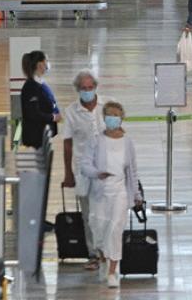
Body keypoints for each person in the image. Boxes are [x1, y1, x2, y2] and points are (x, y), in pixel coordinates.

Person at [79, 101, 142, 289]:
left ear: (121, 118)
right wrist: (97, 173)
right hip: (99, 193)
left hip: (120, 193)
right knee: (99, 229)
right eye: (109, 115)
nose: (112, 118)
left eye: (116, 115)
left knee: (115, 230)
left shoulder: (128, 142)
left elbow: (132, 171)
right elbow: (85, 165)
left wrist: (136, 195)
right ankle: (103, 258)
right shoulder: (96, 140)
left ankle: (113, 271)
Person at [60, 70, 105, 271]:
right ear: (78, 90)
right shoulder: (71, 112)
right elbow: (68, 144)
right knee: (89, 215)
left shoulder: (107, 107)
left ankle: (110, 252)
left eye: (90, 88)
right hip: (84, 172)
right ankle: (94, 253)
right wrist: (68, 173)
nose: (88, 92)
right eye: (84, 89)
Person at [21, 51, 60, 149]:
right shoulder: (31, 87)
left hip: (43, 135)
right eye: (46, 61)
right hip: (35, 136)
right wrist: (53, 117)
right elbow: (33, 113)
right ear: (40, 64)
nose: (48, 63)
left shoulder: (41, 84)